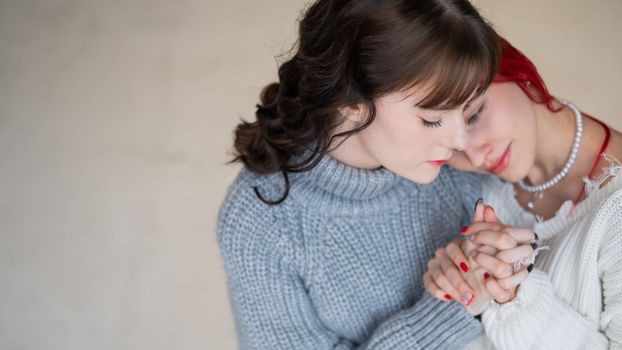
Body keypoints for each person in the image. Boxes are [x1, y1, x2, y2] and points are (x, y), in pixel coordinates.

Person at [217, 0, 535, 348]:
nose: (460, 141)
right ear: (351, 104)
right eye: (432, 118)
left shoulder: (463, 165)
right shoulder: (260, 219)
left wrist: (506, 273)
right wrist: (456, 308)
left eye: (469, 110)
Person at [424, 37, 622, 349]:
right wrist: (459, 287)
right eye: (452, 147)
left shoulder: (616, 209)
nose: (475, 157)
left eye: (473, 115)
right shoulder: (471, 189)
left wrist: (514, 296)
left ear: (516, 71)